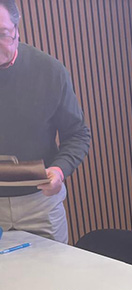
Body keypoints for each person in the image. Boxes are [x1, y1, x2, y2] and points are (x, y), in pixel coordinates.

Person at [0, 0, 91, 244]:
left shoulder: (50, 70)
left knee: (52, 268)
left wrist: (59, 170)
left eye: (2, 34)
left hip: (40, 204)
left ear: (17, 30)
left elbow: (77, 134)